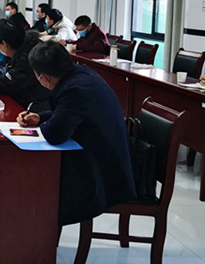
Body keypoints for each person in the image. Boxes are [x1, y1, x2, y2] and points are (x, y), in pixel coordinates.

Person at [17, 41, 136, 226]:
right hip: (105, 155)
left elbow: (55, 135)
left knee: (43, 188)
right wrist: (40, 118)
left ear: (43, 77)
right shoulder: (82, 74)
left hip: (104, 172)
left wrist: (43, 126)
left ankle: (40, 234)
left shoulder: (74, 90)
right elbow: (70, 113)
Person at [0, 19, 51, 109]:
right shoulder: (26, 49)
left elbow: (2, 86)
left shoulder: (28, 59)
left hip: (37, 108)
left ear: (5, 44)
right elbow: (10, 78)